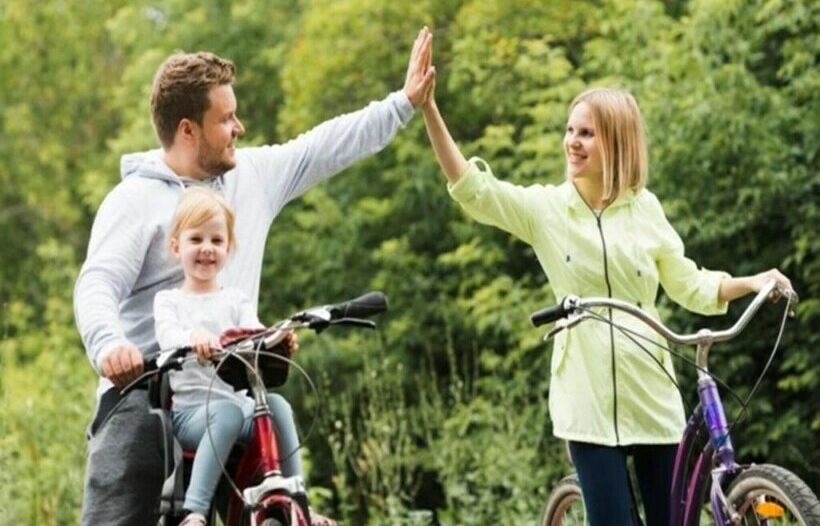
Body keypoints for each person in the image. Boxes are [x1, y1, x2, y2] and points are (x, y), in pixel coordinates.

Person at [74, 27, 435, 526]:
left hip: (227, 385)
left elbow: (324, 146)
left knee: (278, 496)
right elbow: (97, 284)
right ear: (187, 130)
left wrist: (403, 103)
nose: (239, 127)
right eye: (225, 119)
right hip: (146, 389)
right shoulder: (134, 201)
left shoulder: (252, 176)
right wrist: (110, 344)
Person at [420, 64, 793, 524]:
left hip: (652, 393)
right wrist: (429, 109)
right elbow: (474, 191)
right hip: (587, 401)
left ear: (617, 142)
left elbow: (691, 284)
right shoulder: (546, 209)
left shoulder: (646, 209)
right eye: (570, 130)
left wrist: (753, 282)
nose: (572, 142)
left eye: (587, 133)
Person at [154, 187, 296, 526]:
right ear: (177, 247)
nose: (207, 248)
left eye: (217, 241)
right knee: (227, 413)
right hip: (192, 415)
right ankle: (195, 512)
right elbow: (167, 336)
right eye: (196, 239)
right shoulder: (169, 301)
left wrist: (277, 341)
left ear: (228, 248)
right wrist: (193, 339)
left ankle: (294, 495)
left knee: (278, 406)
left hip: (238, 410)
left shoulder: (236, 300)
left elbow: (254, 332)